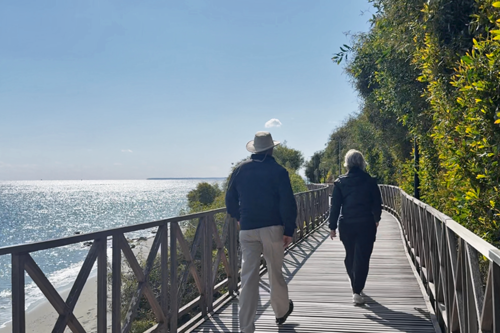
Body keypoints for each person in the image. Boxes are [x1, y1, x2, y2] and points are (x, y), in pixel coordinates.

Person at [226, 131, 297, 333]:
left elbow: (229, 200)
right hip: (273, 229)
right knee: (275, 272)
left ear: (255, 149)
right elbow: (288, 203)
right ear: (271, 148)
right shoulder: (278, 171)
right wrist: (289, 229)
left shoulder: (239, 171)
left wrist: (239, 217)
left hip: (247, 230)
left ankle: (246, 328)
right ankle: (281, 312)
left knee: (248, 278)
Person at [329, 149, 382, 305]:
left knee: (350, 256)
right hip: (366, 223)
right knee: (363, 257)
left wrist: (332, 226)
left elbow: (335, 206)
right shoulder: (371, 181)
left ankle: (356, 287)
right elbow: (377, 203)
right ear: (362, 163)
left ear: (347, 163)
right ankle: (357, 289)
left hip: (347, 224)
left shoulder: (340, 182)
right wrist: (376, 218)